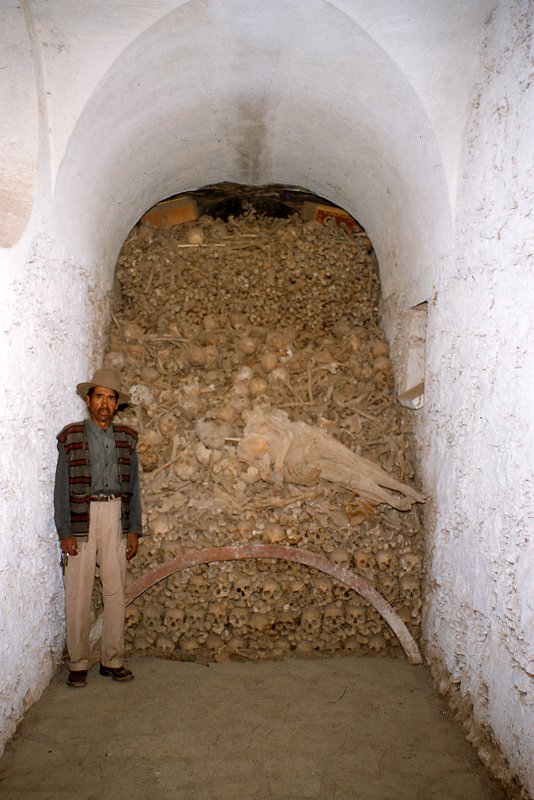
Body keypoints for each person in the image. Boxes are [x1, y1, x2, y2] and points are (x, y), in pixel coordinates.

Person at [54, 368, 142, 687]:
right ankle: (78, 663)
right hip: (82, 516)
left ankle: (112, 659)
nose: (104, 403)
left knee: (115, 590)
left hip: (115, 514)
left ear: (117, 404)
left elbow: (134, 488)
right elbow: (61, 487)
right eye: (99, 396)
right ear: (89, 399)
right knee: (78, 591)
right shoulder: (71, 436)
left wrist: (133, 529)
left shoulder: (127, 440)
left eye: (111, 397)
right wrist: (65, 531)